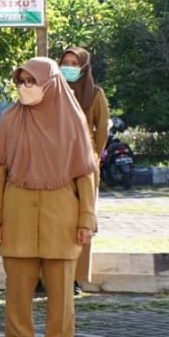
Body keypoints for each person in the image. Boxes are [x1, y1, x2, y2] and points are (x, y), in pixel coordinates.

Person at [0, 57, 97, 337]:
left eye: (30, 81)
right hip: (17, 215)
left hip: (61, 217)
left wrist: (86, 219)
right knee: (18, 290)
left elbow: (85, 175)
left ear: (49, 83)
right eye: (19, 82)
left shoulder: (72, 121)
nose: (23, 88)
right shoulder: (10, 120)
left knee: (61, 293)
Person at [58, 47, 111, 296]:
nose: (68, 67)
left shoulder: (95, 94)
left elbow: (101, 130)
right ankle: (45, 277)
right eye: (65, 62)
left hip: (84, 167)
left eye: (74, 63)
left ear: (84, 67)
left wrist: (91, 157)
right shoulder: (52, 92)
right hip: (54, 166)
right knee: (54, 221)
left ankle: (75, 279)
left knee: (83, 221)